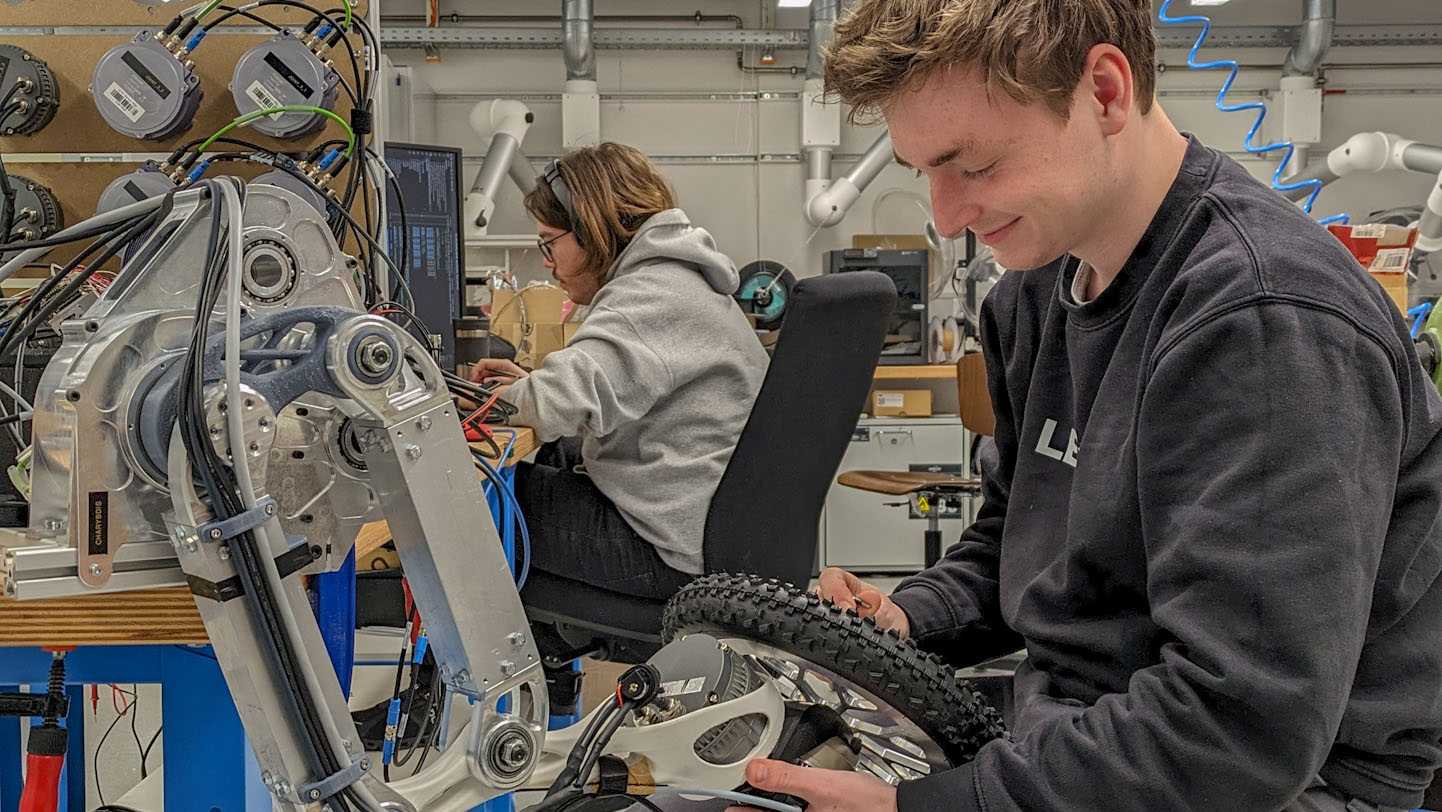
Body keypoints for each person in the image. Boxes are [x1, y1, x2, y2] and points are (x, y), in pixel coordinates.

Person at [735, 1, 1442, 811]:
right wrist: (903, 616)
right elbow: (1019, 544)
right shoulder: (1035, 295)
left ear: (1104, 92)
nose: (946, 216)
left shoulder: (1261, 319)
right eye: (923, 171)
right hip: (1083, 735)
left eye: (974, 166)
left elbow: (1240, 729)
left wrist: (925, 807)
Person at [469, 142, 768, 610]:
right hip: (701, 524)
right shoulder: (679, 279)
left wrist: (490, 398)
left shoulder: (650, 290)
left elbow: (558, 402)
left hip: (666, 544)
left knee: (474, 498)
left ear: (592, 229)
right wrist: (527, 384)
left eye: (550, 241)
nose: (548, 260)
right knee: (546, 462)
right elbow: (603, 384)